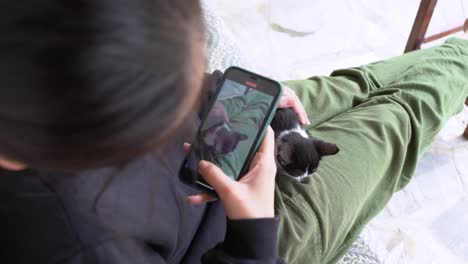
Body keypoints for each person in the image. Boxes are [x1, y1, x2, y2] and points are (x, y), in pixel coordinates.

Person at [1, 1, 467, 264]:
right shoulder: (83, 245)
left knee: (351, 86)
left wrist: (216, 91)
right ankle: (462, 54)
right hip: (235, 231)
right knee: (400, 115)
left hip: (220, 132)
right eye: (167, 98)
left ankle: (454, 56)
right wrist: (254, 230)